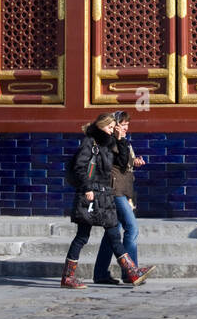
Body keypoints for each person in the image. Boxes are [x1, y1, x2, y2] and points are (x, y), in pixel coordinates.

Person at [62, 113, 153, 289]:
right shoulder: (90, 142)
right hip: (90, 196)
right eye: (110, 127)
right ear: (101, 126)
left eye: (113, 127)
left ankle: (131, 272)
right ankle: (68, 276)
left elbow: (122, 162)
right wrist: (87, 188)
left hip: (106, 196)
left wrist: (120, 140)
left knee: (114, 235)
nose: (112, 130)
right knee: (82, 236)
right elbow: (79, 167)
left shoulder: (109, 143)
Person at [92, 110, 145, 285]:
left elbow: (124, 163)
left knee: (112, 233)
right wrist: (120, 140)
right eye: (122, 125)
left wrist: (135, 161)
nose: (125, 129)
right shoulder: (109, 141)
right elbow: (120, 162)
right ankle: (131, 271)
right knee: (132, 228)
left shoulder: (121, 141)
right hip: (115, 191)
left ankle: (100, 273)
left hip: (123, 190)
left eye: (127, 125)